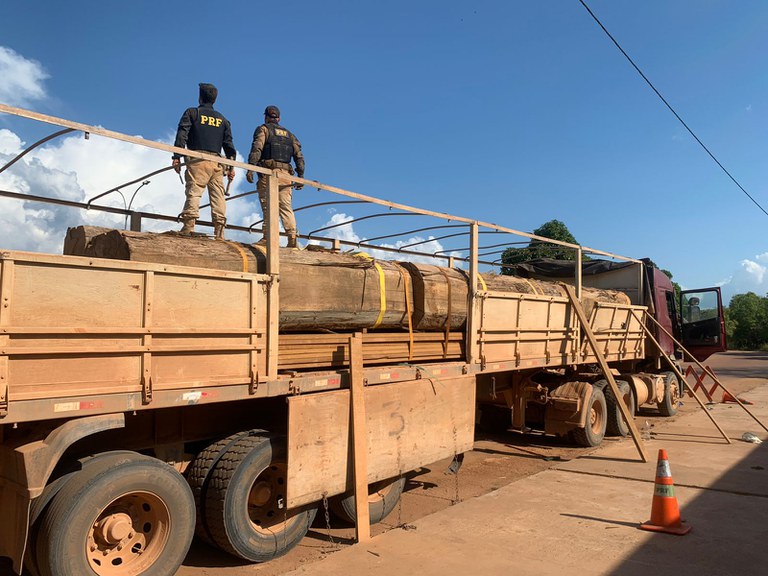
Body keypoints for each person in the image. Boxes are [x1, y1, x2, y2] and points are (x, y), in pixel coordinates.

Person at [172, 83, 236, 240]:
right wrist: (231, 167)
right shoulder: (223, 120)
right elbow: (229, 146)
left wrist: (176, 156)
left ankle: (188, 226)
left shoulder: (193, 113)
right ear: (215, 99)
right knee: (218, 196)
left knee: (194, 191)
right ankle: (220, 232)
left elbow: (182, 134)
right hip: (217, 163)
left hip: (197, 160)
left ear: (200, 97)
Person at [246, 105, 305, 248]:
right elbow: (299, 156)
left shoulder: (263, 129)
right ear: (278, 118)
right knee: (286, 207)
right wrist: (300, 176)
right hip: (286, 175)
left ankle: (268, 238)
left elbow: (257, 148)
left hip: (269, 173)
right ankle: (292, 238)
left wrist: (250, 168)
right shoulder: (290, 135)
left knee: (269, 206)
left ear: (266, 116)